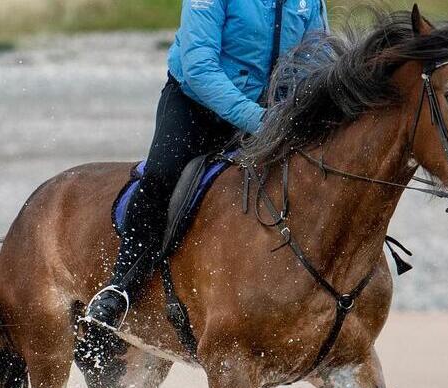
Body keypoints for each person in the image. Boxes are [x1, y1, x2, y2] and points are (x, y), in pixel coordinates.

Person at [83, 0, 329, 331]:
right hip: (195, 105)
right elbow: (199, 67)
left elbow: (318, 60)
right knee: (162, 176)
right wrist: (261, 120)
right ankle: (122, 284)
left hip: (269, 113)